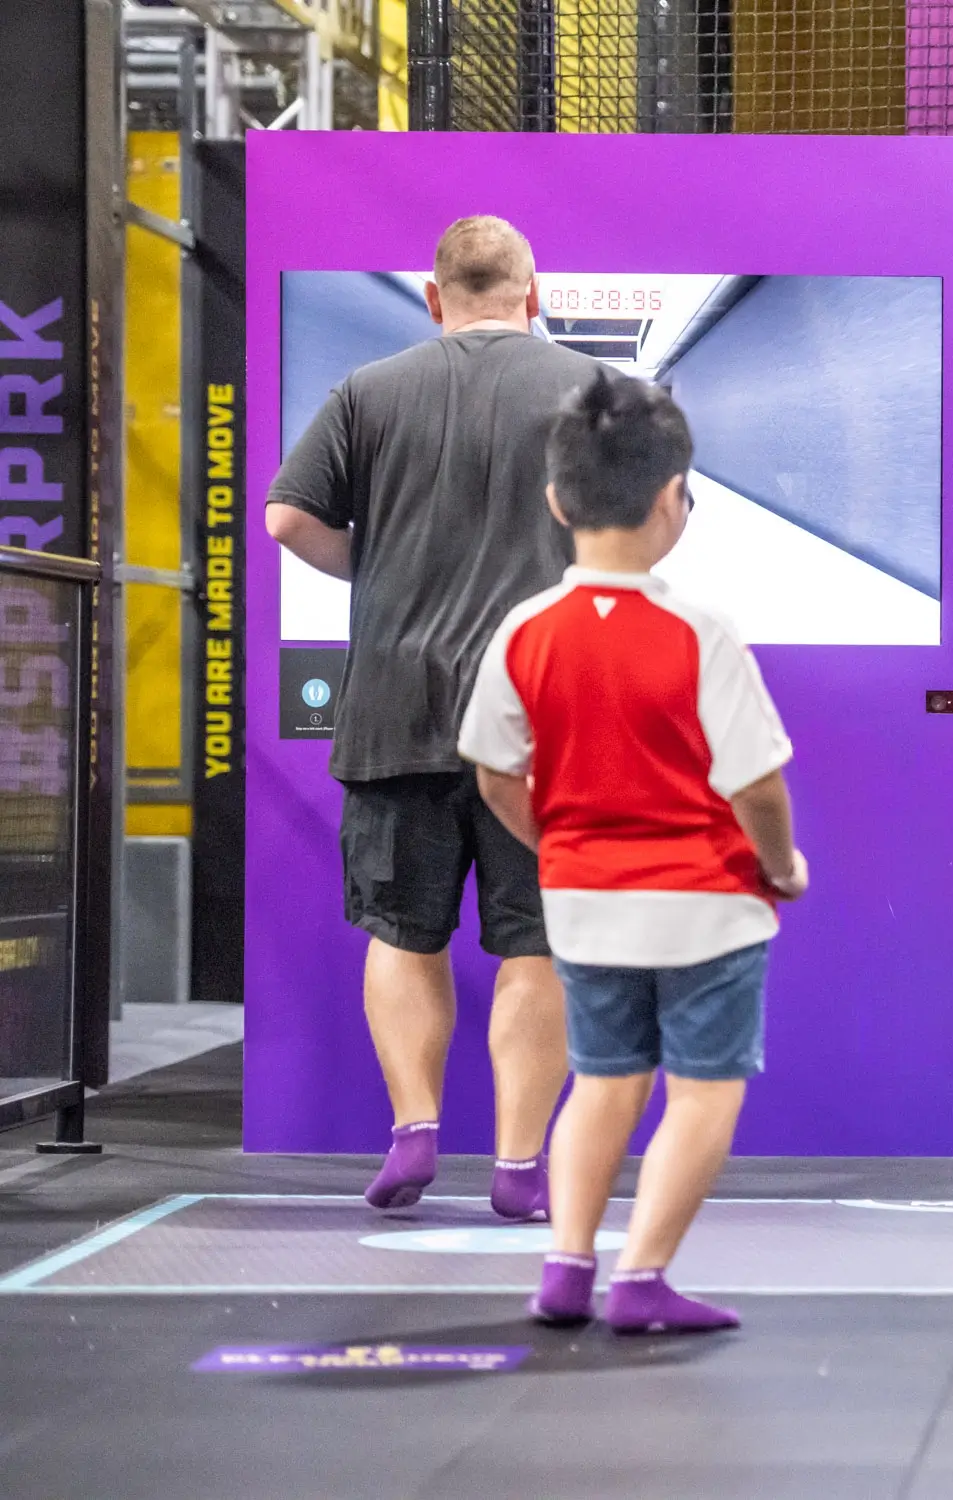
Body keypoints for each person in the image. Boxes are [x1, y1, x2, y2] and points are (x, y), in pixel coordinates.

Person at [267, 217, 608, 1219]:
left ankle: (414, 1131)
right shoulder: (591, 394)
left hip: (395, 711)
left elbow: (288, 518)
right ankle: (515, 1162)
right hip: (543, 721)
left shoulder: (370, 390)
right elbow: (642, 531)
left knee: (405, 935)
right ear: (533, 294)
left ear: (434, 297)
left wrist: (371, 569)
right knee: (536, 945)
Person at [457, 373, 807, 1333]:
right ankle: (643, 1278)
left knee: (604, 1080)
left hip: (582, 901)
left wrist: (559, 842)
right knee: (701, 1093)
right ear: (671, 501)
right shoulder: (702, 632)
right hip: (710, 905)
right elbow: (757, 786)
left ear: (557, 501)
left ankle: (566, 1268)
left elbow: (494, 776)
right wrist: (780, 866)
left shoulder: (521, 633)